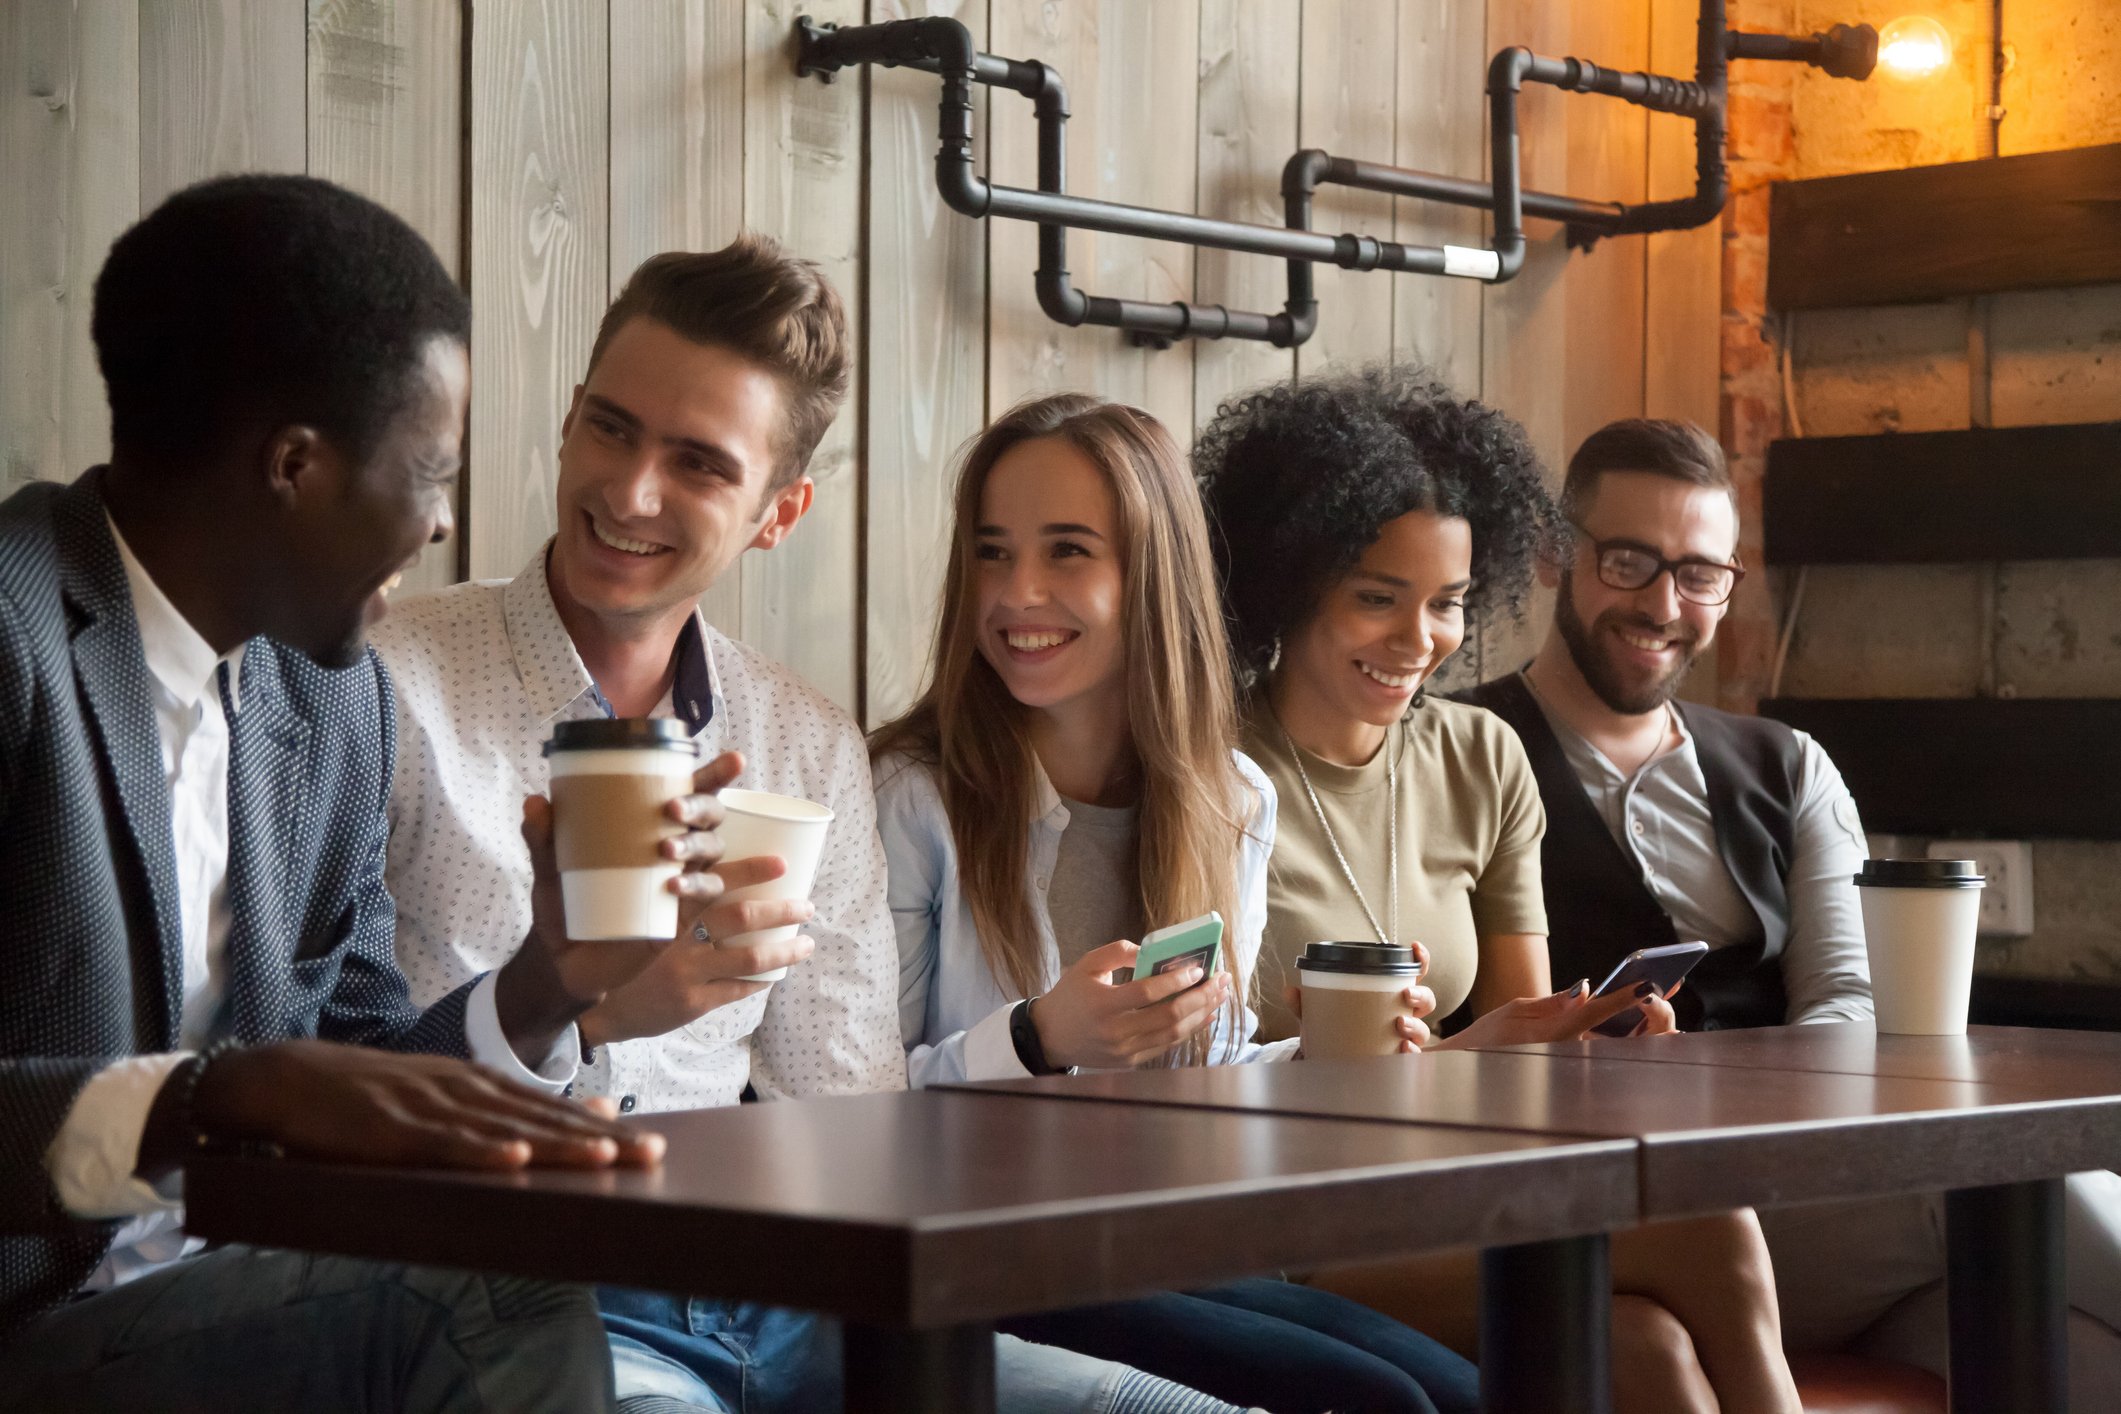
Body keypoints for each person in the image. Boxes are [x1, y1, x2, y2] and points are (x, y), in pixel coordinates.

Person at [375, 240, 1246, 1414]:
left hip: (787, 1302)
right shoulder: (385, 687)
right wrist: (577, 1009)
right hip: (528, 1303)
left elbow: (853, 1120)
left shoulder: (802, 747)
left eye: (697, 464)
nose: (630, 491)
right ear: (571, 418)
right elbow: (321, 1078)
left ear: (780, 511)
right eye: (613, 430)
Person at [0, 175, 666, 1413]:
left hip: (247, 1308)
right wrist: (208, 1100)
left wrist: (544, 982)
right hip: (33, 1331)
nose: (445, 525)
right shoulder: (12, 631)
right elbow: (273, 1092)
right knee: (496, 1294)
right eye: (431, 474)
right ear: (295, 466)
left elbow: (357, 1067)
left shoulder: (333, 703)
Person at [1459, 415, 2121, 1401]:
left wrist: (1790, 1138)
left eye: (1700, 574)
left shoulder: (1789, 765)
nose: (1663, 603)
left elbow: (1848, 996)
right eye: (1631, 560)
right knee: (2017, 1178)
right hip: (1625, 1207)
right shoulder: (1460, 752)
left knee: (2074, 1349)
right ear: (1558, 552)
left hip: (1812, 1200)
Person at [1195, 370, 1801, 1414]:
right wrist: (1467, 1056)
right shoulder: (1204, 773)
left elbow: (1527, 1060)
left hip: (1437, 1193)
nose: (1419, 641)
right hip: (1273, 1226)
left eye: (1447, 605)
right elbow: (1185, 1089)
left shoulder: (1479, 756)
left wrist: (1588, 1039)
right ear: (1292, 581)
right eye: (1378, 598)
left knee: (1645, 1347)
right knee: (1710, 1228)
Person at [872, 391, 1483, 1414]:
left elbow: (1217, 1076)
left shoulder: (1230, 799)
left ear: (1154, 575)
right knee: (1388, 1405)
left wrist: (1324, 1067)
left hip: (1166, 1239)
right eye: (991, 552)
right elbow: (849, 1112)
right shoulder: (909, 795)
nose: (1017, 592)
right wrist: (1036, 1037)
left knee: (1462, 1391)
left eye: (1068, 551)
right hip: (981, 1256)